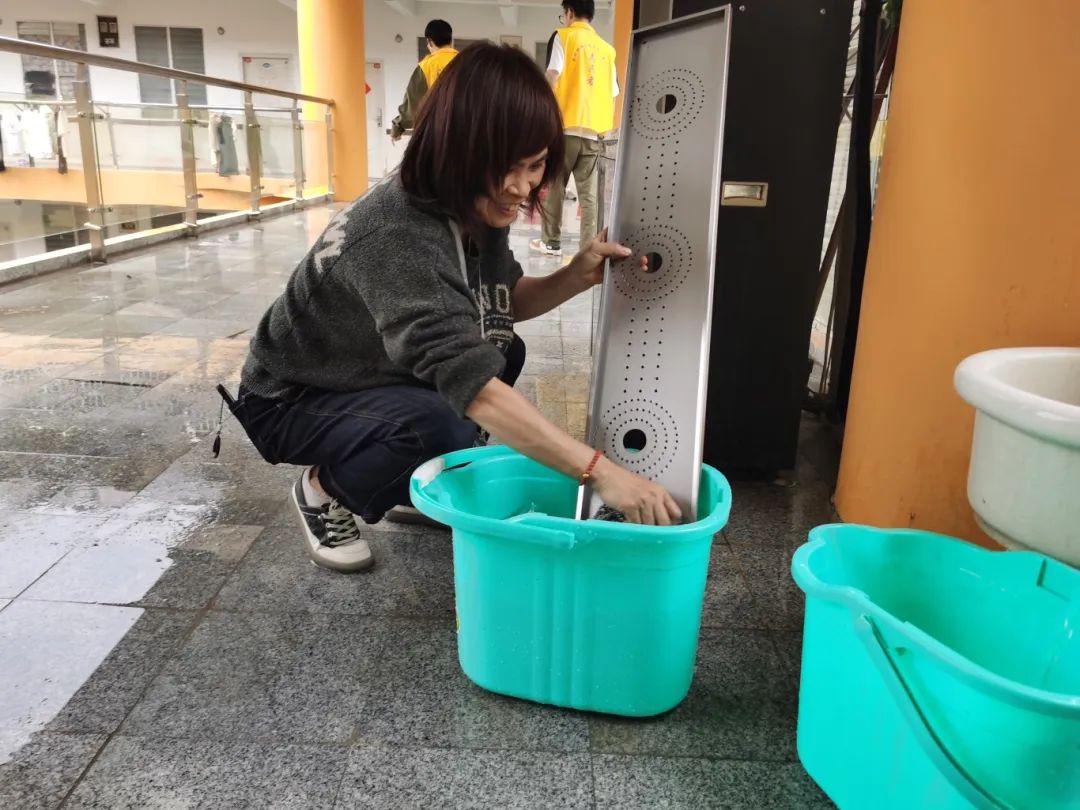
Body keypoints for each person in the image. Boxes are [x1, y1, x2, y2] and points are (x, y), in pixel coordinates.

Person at [223, 44, 681, 574]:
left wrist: (575, 275)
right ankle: (322, 492)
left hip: (363, 372)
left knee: (503, 347)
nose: (520, 187)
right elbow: (474, 389)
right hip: (290, 399)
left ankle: (401, 481)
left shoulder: (473, 201)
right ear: (454, 149)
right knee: (441, 423)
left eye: (534, 165)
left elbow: (501, 302)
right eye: (504, 168)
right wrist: (602, 472)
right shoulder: (397, 233)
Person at [530, 0, 619, 257]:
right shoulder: (608, 49)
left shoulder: (564, 36)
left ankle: (551, 242)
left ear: (569, 12)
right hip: (595, 132)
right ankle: (589, 249)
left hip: (565, 127)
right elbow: (613, 93)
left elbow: (553, 75)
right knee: (589, 195)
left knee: (556, 186)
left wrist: (543, 114)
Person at [390, 19, 458, 142]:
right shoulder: (468, 63)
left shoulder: (426, 67)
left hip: (437, 135)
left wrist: (397, 127)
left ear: (429, 42)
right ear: (450, 40)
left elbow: (413, 108)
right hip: (469, 135)